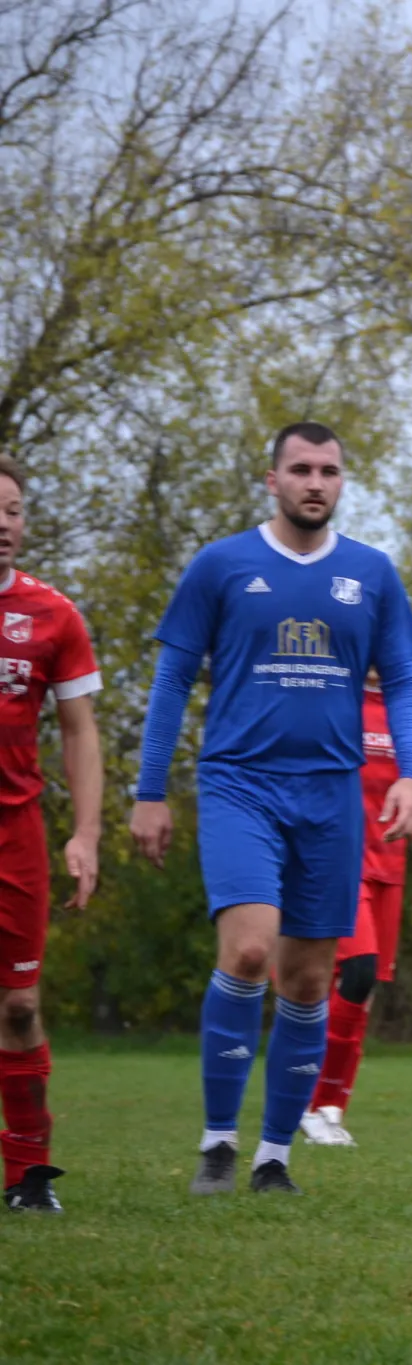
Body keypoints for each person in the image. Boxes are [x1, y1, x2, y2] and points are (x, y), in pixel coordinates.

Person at [131, 422, 412, 1196]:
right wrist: (150, 791)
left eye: (329, 470)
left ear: (342, 481)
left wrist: (410, 774)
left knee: (307, 979)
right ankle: (218, 1143)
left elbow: (402, 679)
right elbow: (171, 680)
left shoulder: (371, 572)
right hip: (240, 784)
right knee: (249, 951)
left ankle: (273, 1158)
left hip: (331, 792)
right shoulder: (222, 564)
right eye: (301, 469)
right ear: (272, 480)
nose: (315, 482)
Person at [0, 456, 102, 1214]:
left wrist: (85, 833)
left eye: (12, 510)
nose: (2, 524)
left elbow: (78, 729)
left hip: (16, 834)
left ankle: (29, 1174)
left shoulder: (53, 615)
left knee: (18, 1006)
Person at [299, 671, 412, 1146]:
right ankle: (308, 1101)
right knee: (353, 973)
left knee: (364, 991)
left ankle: (331, 1109)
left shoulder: (405, 708)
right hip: (340, 863)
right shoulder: (333, 694)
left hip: (389, 868)